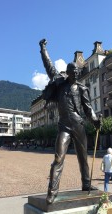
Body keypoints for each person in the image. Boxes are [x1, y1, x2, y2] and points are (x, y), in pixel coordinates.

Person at [39, 39, 101, 204]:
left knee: (83, 157)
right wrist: (43, 49)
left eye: (78, 72)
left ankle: (86, 184)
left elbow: (88, 108)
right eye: (73, 71)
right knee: (59, 158)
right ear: (68, 72)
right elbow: (49, 65)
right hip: (64, 126)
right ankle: (52, 191)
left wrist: (95, 119)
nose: (77, 74)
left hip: (78, 124)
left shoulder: (82, 88)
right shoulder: (60, 84)